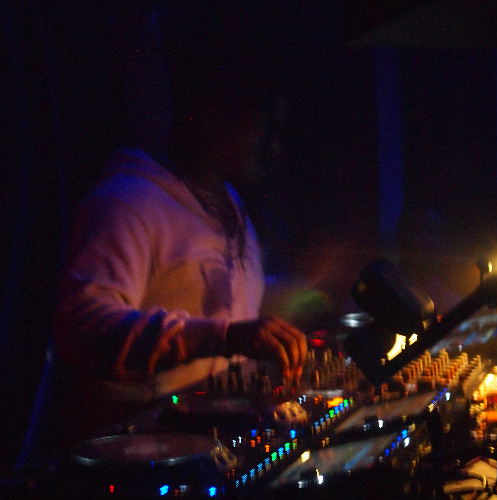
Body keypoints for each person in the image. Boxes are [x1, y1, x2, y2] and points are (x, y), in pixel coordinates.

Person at [18, 6, 307, 468]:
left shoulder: (232, 208)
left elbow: (222, 312)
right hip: (132, 468)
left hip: (208, 462)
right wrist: (222, 338)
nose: (273, 142)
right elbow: (81, 327)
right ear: (210, 117)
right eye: (261, 123)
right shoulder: (129, 202)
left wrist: (310, 292)